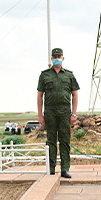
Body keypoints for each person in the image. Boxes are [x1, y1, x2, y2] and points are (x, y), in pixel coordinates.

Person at [37, 48, 79, 178]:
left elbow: (75, 95)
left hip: (65, 112)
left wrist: (73, 113)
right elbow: (39, 96)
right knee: (51, 141)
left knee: (65, 140)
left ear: (63, 58)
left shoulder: (69, 75)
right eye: (54, 56)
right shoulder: (44, 75)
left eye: (59, 56)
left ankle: (65, 169)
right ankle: (51, 168)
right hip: (50, 111)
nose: (56, 58)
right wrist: (40, 115)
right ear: (51, 58)